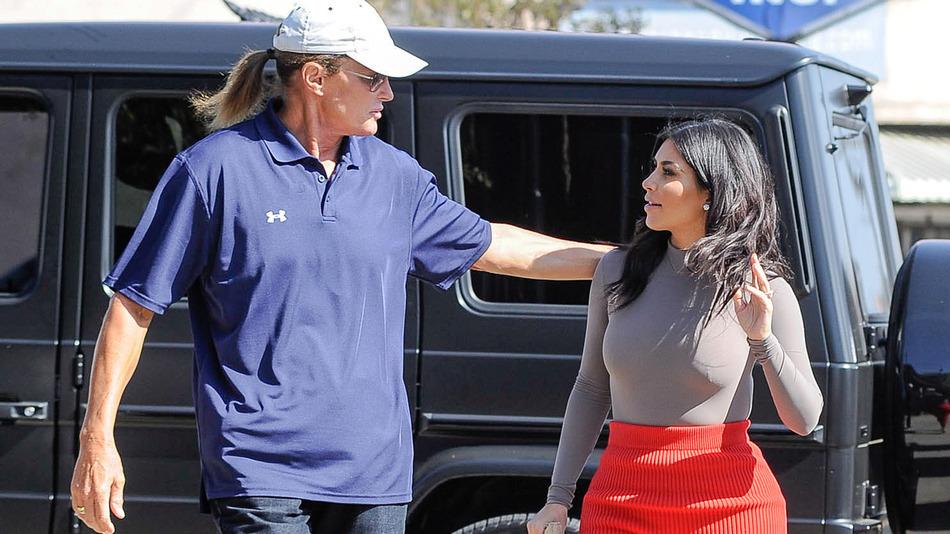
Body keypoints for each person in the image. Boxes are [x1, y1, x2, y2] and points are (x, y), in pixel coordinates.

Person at [68, 2, 613, 533]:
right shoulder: (213, 170)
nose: (388, 92)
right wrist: (97, 439)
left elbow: (496, 245)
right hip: (259, 468)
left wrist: (624, 261)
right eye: (373, 78)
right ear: (315, 77)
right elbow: (132, 308)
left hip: (375, 473)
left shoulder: (396, 177)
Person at [528, 118, 824, 534]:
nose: (648, 182)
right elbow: (591, 387)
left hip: (728, 510)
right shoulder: (617, 271)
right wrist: (558, 497)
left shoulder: (763, 288)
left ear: (711, 192)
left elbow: (805, 420)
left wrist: (762, 340)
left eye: (668, 172)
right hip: (619, 501)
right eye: (653, 168)